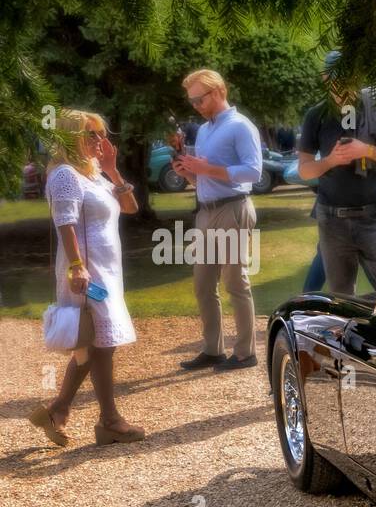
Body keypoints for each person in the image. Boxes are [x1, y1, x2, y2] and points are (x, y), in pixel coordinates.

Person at [27, 110, 145, 446]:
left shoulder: (94, 175)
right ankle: (109, 420)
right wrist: (77, 266)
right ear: (71, 137)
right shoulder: (65, 175)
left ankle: (58, 409)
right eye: (91, 134)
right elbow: (64, 224)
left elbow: (130, 207)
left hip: (107, 272)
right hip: (86, 272)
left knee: (94, 343)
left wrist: (112, 170)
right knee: (101, 345)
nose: (100, 141)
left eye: (101, 133)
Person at [172, 68, 262, 371]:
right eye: (192, 101)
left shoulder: (240, 126)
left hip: (233, 209)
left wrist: (206, 169)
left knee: (236, 282)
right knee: (203, 284)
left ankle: (245, 352)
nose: (195, 105)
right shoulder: (206, 129)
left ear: (218, 91)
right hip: (207, 209)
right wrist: (190, 173)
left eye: (199, 98)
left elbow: (254, 172)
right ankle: (213, 349)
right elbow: (207, 177)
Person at [297, 51, 376, 296]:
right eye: (338, 78)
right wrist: (330, 160)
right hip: (332, 220)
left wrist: (366, 150)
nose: (345, 84)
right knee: (341, 296)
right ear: (326, 78)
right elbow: (304, 170)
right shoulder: (316, 115)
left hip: (373, 217)